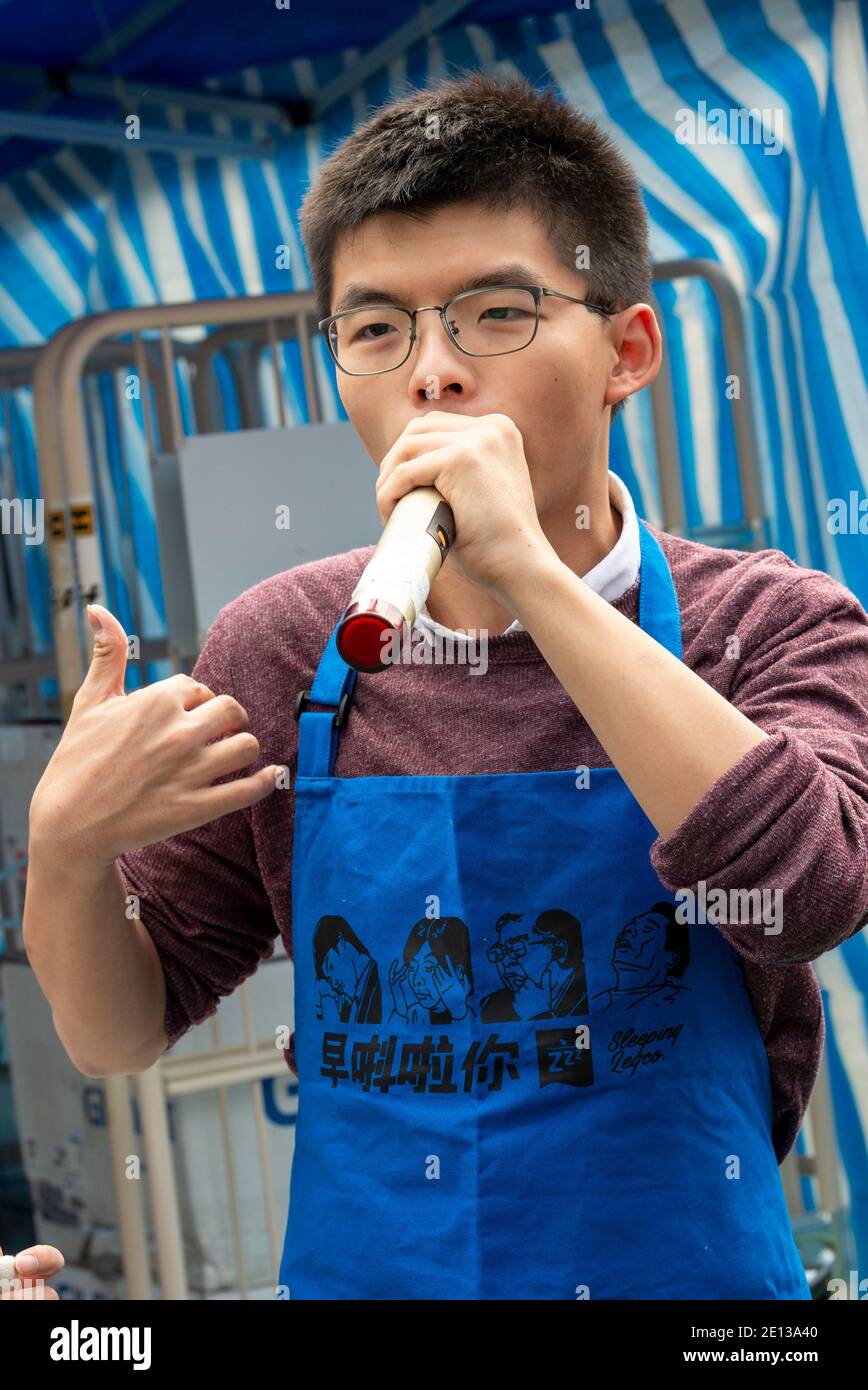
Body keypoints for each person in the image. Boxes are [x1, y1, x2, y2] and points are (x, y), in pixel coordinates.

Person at [23, 71, 868, 1299]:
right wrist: (63, 853)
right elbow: (119, 1030)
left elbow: (808, 898)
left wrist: (526, 569)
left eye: (495, 315)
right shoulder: (283, 643)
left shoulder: (764, 624)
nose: (433, 372)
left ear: (628, 349)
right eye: (377, 330)